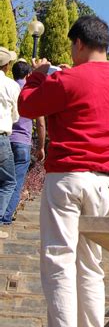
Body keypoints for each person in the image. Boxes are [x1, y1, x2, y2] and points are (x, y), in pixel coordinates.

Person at [18, 16, 109, 327]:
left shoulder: (68, 77)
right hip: (101, 181)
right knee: (91, 265)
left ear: (79, 43)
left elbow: (27, 104)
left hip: (66, 176)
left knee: (58, 261)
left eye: (72, 45)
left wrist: (39, 73)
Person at [0, 60, 46, 226]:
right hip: (22, 143)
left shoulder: (8, 86)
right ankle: (4, 218)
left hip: (5, 138)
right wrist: (41, 147)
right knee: (15, 182)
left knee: (4, 181)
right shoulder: (31, 91)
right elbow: (40, 123)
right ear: (28, 75)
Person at [0, 47, 20, 238]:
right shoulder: (11, 85)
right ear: (6, 66)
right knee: (8, 181)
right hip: (1, 137)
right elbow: (16, 115)